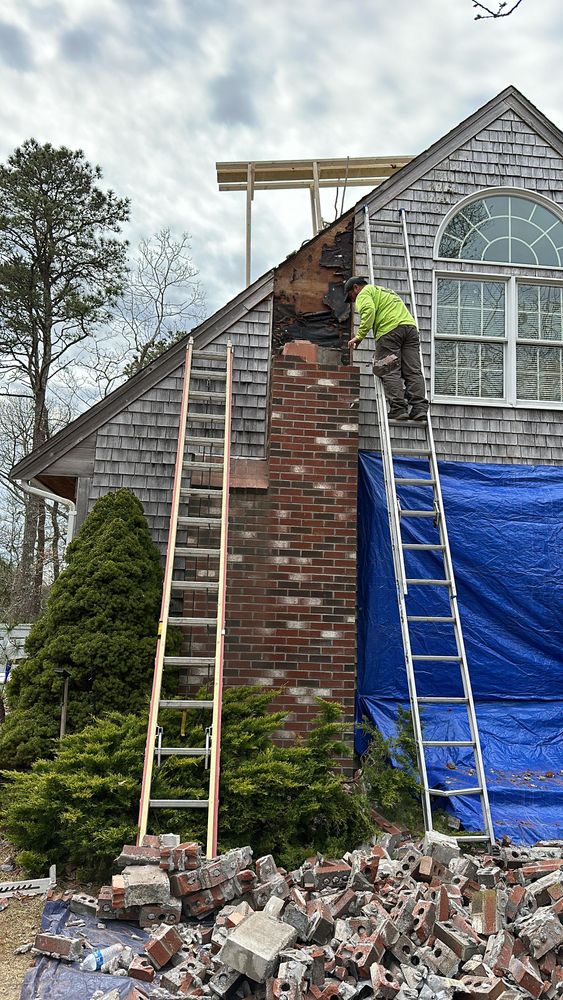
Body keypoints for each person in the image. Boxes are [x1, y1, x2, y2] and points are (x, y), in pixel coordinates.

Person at [344, 276, 429, 421]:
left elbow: (369, 311)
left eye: (351, 296)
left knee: (389, 369)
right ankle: (419, 409)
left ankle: (398, 409)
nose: (353, 300)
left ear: (356, 288)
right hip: (410, 330)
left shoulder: (364, 293)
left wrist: (359, 336)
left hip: (390, 332)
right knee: (413, 371)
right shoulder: (386, 291)